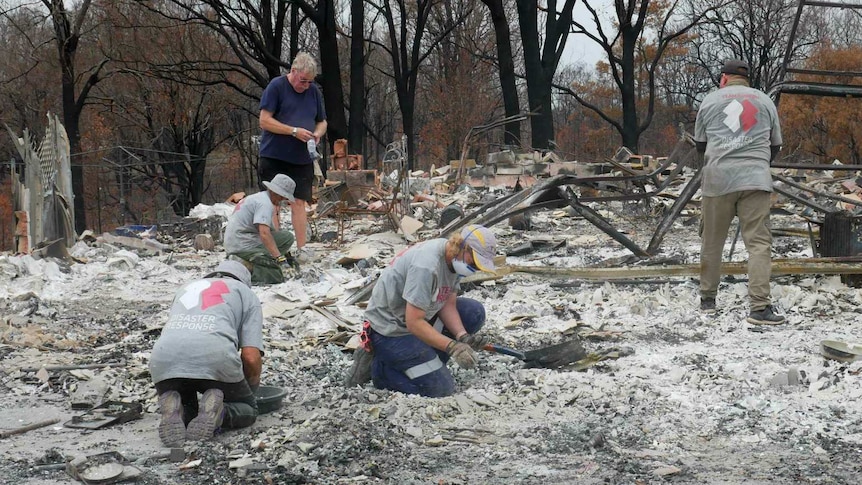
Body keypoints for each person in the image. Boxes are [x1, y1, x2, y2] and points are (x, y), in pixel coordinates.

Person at [346, 225, 497, 397]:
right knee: (441, 388)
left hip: (418, 317)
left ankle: (427, 364)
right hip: (390, 330)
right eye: (474, 262)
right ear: (462, 246)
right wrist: (453, 347)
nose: (475, 268)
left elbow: (446, 302)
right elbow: (413, 322)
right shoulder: (426, 266)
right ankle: (380, 370)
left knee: (473, 312)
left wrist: (462, 336)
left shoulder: (453, 258)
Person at [694, 59, 785, 325]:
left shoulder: (710, 101)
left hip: (718, 180)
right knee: (758, 245)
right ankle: (759, 309)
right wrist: (755, 163)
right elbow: (775, 145)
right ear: (747, 79)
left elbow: (701, 145)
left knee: (711, 242)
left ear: (724, 78)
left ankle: (708, 300)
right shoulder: (764, 101)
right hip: (755, 179)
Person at [150, 260, 264, 447]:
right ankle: (221, 413)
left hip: (163, 359)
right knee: (248, 410)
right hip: (214, 355)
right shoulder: (246, 294)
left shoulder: (186, 288)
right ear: (245, 281)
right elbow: (250, 356)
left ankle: (174, 407)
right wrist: (249, 392)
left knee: (191, 411)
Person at [259, 51, 327, 263]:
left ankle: (302, 248)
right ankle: (277, 249)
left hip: (302, 158)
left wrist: (317, 134)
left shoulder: (314, 92)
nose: (305, 85)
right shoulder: (276, 87)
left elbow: (322, 121)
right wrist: (293, 131)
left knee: (299, 202)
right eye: (303, 81)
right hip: (275, 155)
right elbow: (264, 121)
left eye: (309, 82)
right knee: (274, 203)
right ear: (293, 71)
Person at [223, 174, 299, 284]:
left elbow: (270, 232)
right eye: (283, 196)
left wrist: (285, 255)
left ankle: (258, 260)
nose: (283, 200)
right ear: (275, 192)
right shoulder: (265, 204)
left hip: (237, 241)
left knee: (287, 237)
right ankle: (248, 267)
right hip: (242, 245)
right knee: (278, 275)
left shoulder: (258, 197)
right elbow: (264, 234)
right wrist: (280, 259)